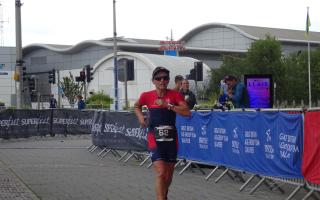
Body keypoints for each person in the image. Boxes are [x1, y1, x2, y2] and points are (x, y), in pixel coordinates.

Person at [134, 66, 191, 200]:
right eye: (158, 78)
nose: (162, 81)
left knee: (168, 174)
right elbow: (136, 106)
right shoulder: (146, 95)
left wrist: (168, 105)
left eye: (165, 78)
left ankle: (164, 195)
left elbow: (187, 112)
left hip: (171, 139)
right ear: (153, 81)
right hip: (154, 137)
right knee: (161, 172)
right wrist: (140, 117)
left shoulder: (175, 95)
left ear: (168, 80)